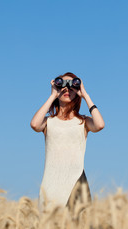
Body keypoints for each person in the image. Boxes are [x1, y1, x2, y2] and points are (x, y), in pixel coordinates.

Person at [30, 72, 105, 213]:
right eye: (62, 85)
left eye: (71, 86)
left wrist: (85, 94)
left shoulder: (83, 121)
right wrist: (52, 94)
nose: (66, 89)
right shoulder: (49, 122)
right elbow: (34, 124)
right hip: (51, 186)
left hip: (76, 184)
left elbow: (100, 125)